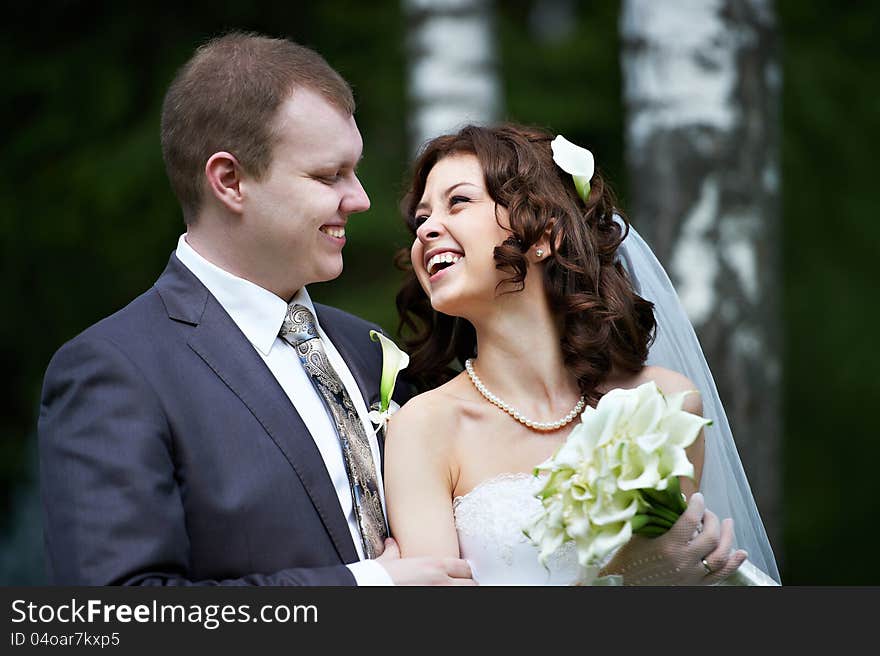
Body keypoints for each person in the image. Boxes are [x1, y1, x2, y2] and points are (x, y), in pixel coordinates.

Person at [37, 32, 474, 586]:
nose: (360, 198)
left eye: (354, 170)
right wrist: (367, 588)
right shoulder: (115, 371)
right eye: (327, 175)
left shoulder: (366, 350)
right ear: (230, 181)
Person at [385, 123, 779, 585]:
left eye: (459, 202)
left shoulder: (662, 406)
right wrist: (633, 579)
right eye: (421, 218)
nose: (427, 229)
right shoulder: (425, 426)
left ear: (543, 235)